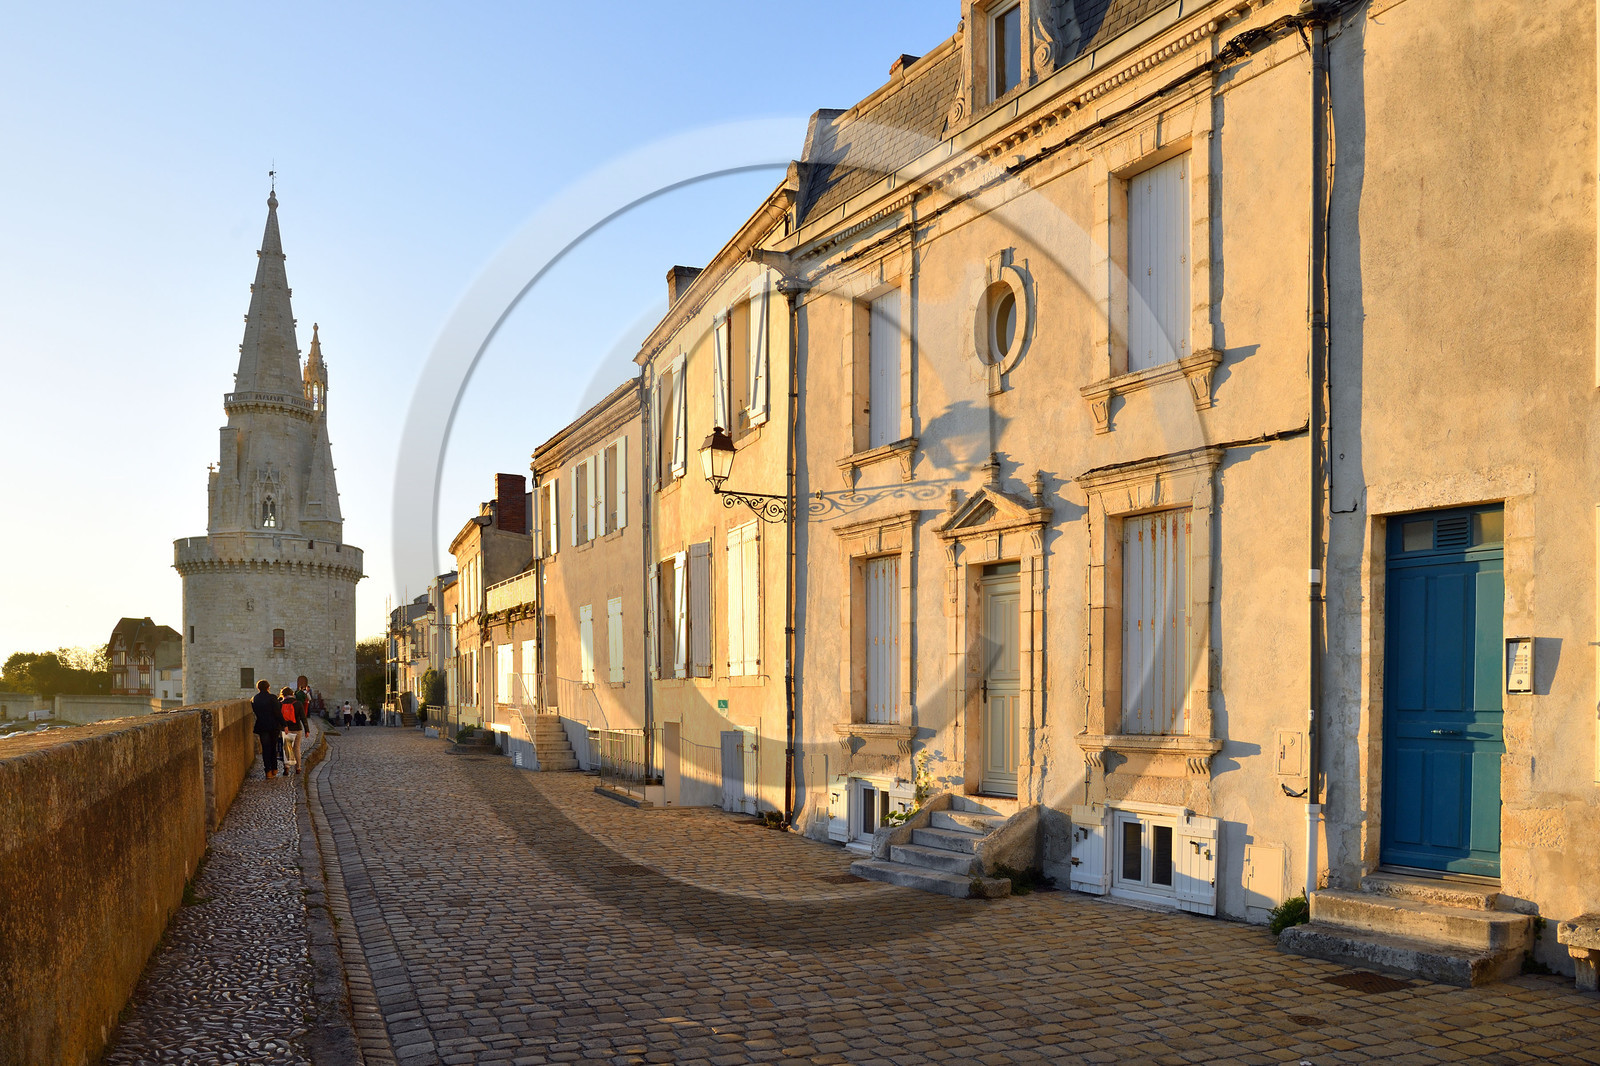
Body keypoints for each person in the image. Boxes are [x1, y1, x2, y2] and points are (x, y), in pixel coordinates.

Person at [251, 679, 282, 779]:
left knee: (265, 749)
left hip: (262, 726)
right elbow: (278, 713)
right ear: (268, 687)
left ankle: (267, 771)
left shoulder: (255, 699)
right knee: (273, 747)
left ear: (258, 688)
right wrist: (284, 724)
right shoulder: (272, 697)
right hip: (273, 726)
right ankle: (274, 769)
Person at [279, 685, 302, 774]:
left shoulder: (281, 703)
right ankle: (298, 768)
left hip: (286, 729)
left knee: (288, 748)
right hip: (297, 728)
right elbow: (303, 718)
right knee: (297, 748)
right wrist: (307, 730)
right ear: (292, 693)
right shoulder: (298, 703)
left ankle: (287, 768)